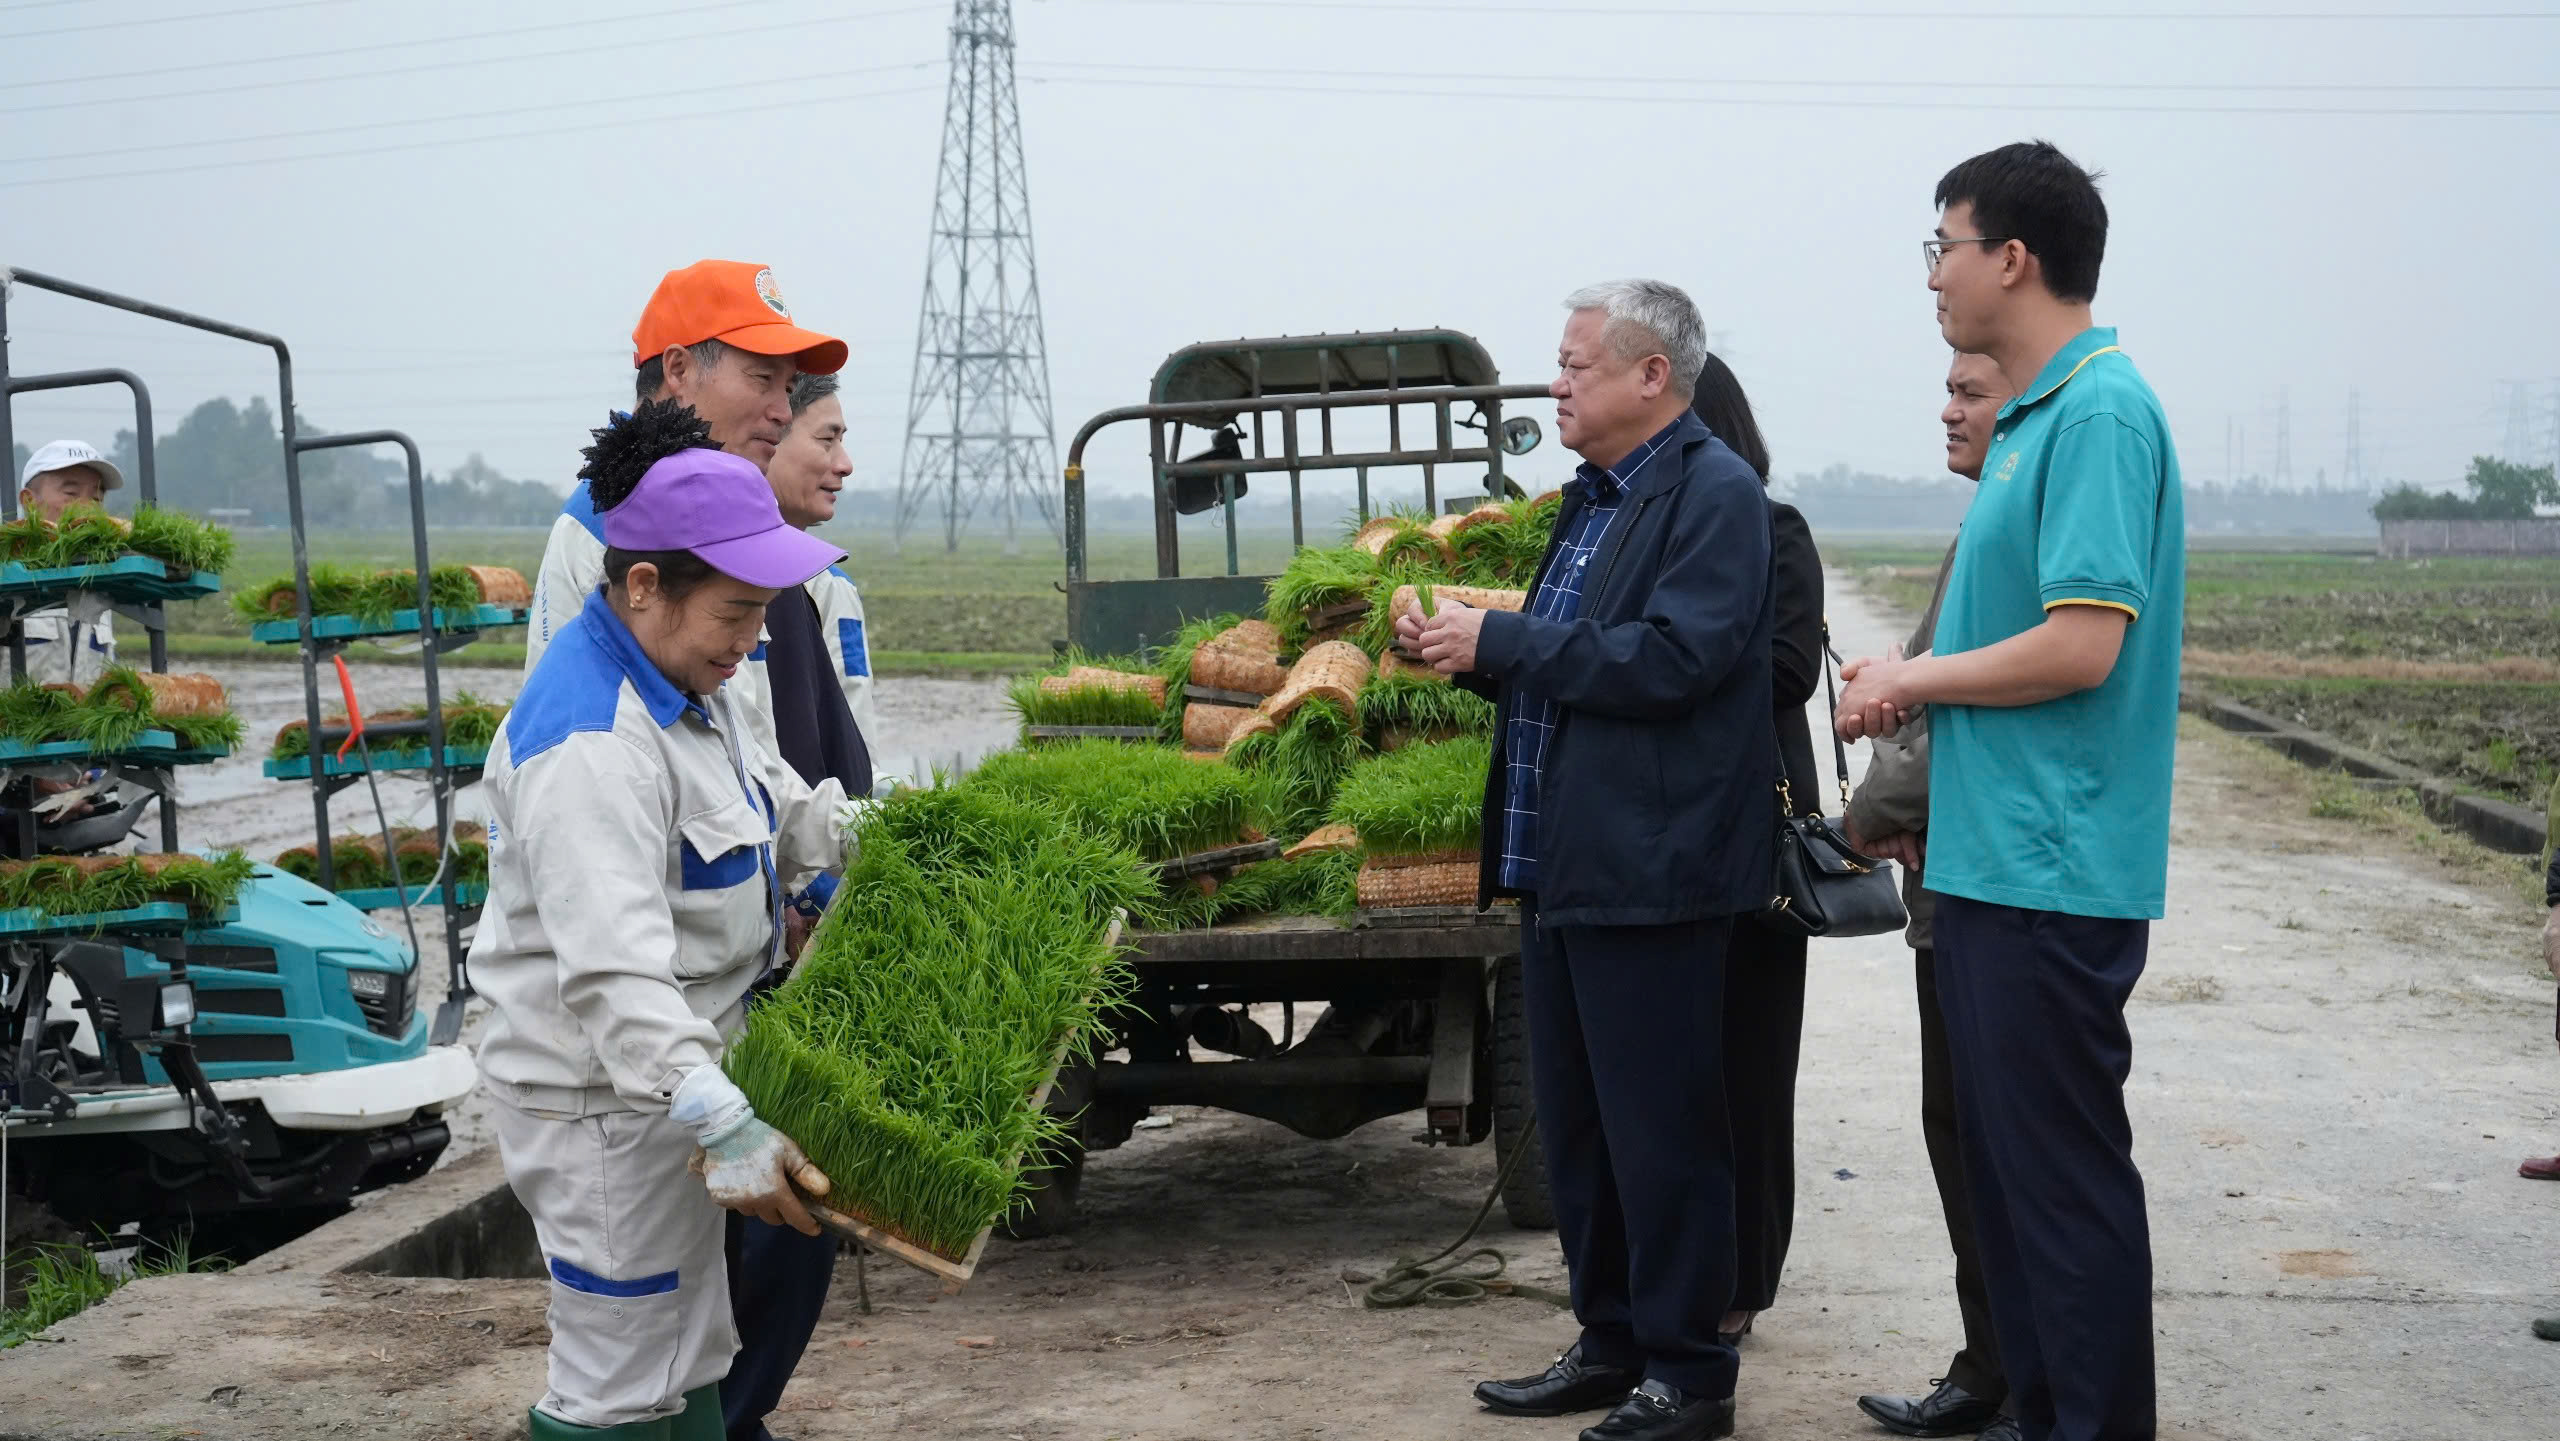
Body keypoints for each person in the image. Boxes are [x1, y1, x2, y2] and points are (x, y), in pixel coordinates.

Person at [1835, 141, 2183, 1441]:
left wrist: (1913, 680)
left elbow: (2083, 645)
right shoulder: (2036, 420)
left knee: (2060, 1195)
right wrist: (1914, 684)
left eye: (1945, 247)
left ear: (2014, 259)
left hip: (2052, 867)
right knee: (2013, 1197)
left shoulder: (2097, 414)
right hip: (1991, 866)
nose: (1934, 276)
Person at [1411, 279, 1775, 1441]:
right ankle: (1610, 1339)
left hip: (1652, 871)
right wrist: (1473, 652)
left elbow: (1673, 659)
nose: (1555, 383)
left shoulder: (1714, 494)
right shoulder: (1593, 497)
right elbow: (1576, 661)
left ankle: (1689, 1374)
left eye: (1575, 365)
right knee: (1582, 1130)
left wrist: (1507, 638)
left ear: (1651, 375)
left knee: (1663, 1133)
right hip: (1564, 863)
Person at [472, 401, 858, 1441]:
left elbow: (777, 807)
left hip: (673, 1084)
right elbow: (616, 976)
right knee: (617, 1374)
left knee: (690, 1355)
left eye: (762, 612)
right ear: (644, 584)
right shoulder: (591, 742)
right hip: (602, 1107)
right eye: (736, 612)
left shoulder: (693, 681)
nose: (751, 638)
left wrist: (878, 833)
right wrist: (725, 1120)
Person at [1841, 351, 2022, 1441]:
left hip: (1991, 880)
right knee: (1958, 1133)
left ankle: (2026, 1384)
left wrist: (1865, 816)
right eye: (1948, 391)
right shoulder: (1981, 526)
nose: (1948, 412)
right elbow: (1923, 694)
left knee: (1997, 1147)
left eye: (1971, 393)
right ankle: (1989, 1368)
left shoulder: (2010, 526)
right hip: (1950, 882)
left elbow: (1942, 721)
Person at [1684, 354, 1821, 1351]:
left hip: (1752, 833)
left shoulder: (1775, 529)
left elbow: (1786, 669)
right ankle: (1676, 1271)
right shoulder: (1639, 531)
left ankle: (1741, 1280)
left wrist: (1667, 661)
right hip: (1663, 834)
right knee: (1673, 1074)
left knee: (1749, 1066)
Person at [526, 259, 846, 671]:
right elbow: (571, 703)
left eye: (787, 388)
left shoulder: (739, 517)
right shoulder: (607, 524)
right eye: (762, 379)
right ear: (678, 370)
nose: (785, 413)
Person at [16, 439, 124, 687]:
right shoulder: (8, 573)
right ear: (29, 501)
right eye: (71, 494)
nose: (85, 507)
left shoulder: (100, 584)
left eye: (96, 498)